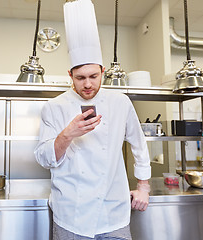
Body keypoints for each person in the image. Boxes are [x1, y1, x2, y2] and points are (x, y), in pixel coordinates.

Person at [34, 1, 151, 239]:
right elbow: (43, 158)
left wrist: (143, 187)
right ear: (70, 75)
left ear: (103, 71)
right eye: (80, 78)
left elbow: (139, 145)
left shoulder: (120, 102)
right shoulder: (54, 107)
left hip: (113, 213)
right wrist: (67, 134)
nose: (87, 84)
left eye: (93, 76)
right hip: (70, 215)